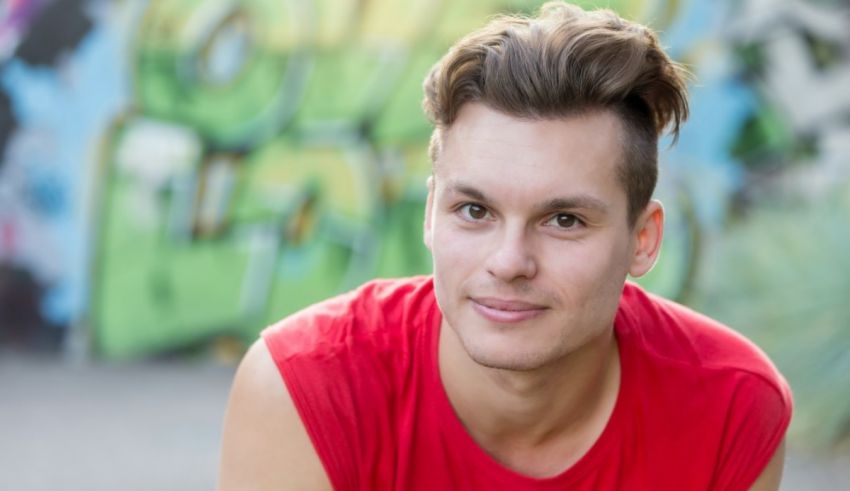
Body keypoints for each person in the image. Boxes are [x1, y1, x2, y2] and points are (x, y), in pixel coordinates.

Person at [218, 2, 792, 490]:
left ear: (642, 241)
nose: (509, 261)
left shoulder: (730, 407)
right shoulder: (305, 389)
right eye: (474, 211)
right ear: (430, 214)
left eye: (563, 220)